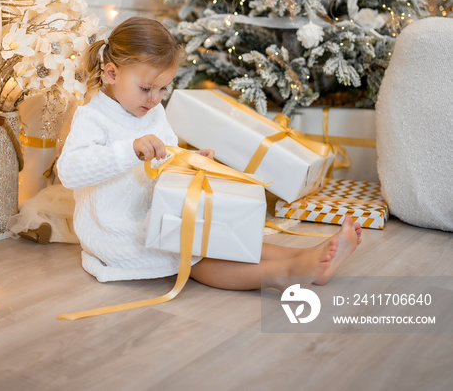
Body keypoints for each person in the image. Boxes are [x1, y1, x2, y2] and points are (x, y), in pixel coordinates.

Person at [57, 15, 362, 290]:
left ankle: (307, 257)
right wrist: (129, 151)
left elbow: (168, 157)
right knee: (199, 255)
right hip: (118, 232)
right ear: (112, 74)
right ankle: (286, 273)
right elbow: (70, 171)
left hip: (160, 214)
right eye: (147, 88)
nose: (155, 99)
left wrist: (189, 162)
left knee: (216, 235)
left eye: (163, 89)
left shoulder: (153, 113)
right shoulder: (92, 116)